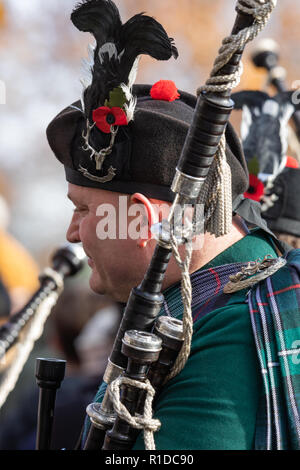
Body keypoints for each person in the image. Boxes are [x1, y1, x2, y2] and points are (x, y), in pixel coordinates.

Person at [45, 0, 300, 450]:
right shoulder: (216, 307)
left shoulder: (233, 335)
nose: (71, 233)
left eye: (83, 210)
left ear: (143, 218)